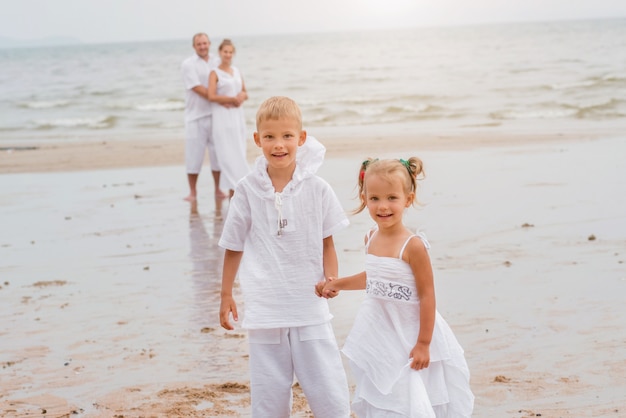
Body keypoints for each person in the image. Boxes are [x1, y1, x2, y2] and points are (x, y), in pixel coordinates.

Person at [219, 96, 351, 417]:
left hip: (309, 308)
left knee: (330, 395)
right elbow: (233, 245)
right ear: (257, 140)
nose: (279, 145)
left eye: (287, 136)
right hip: (266, 310)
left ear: (301, 139)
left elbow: (327, 243)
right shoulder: (247, 189)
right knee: (268, 400)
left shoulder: (318, 188)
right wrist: (225, 294)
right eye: (270, 137)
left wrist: (331, 278)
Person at [316, 158, 474, 417]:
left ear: (407, 200)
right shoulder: (370, 237)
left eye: (392, 198)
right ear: (364, 198)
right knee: (386, 392)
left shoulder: (413, 245)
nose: (383, 206)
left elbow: (427, 294)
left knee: (413, 393)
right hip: (381, 330)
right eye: (375, 198)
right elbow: (375, 278)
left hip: (411, 332)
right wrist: (338, 284)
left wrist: (424, 343)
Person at [180, 32, 225, 201]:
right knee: (194, 155)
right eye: (199, 44)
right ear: (194, 46)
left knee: (217, 155)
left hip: (215, 115)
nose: (203, 46)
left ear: (209, 44)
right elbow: (197, 88)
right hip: (195, 116)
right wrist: (221, 99)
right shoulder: (188, 64)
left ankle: (218, 190)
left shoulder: (217, 61)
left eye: (205, 43)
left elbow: (224, 81)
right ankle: (193, 192)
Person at [207, 39, 250, 198]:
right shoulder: (215, 73)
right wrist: (230, 99)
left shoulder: (237, 71)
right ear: (220, 52)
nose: (228, 54)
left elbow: (245, 92)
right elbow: (211, 96)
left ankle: (240, 187)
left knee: (239, 149)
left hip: (237, 116)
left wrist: (240, 97)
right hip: (222, 117)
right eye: (225, 51)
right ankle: (234, 186)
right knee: (226, 152)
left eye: (230, 52)